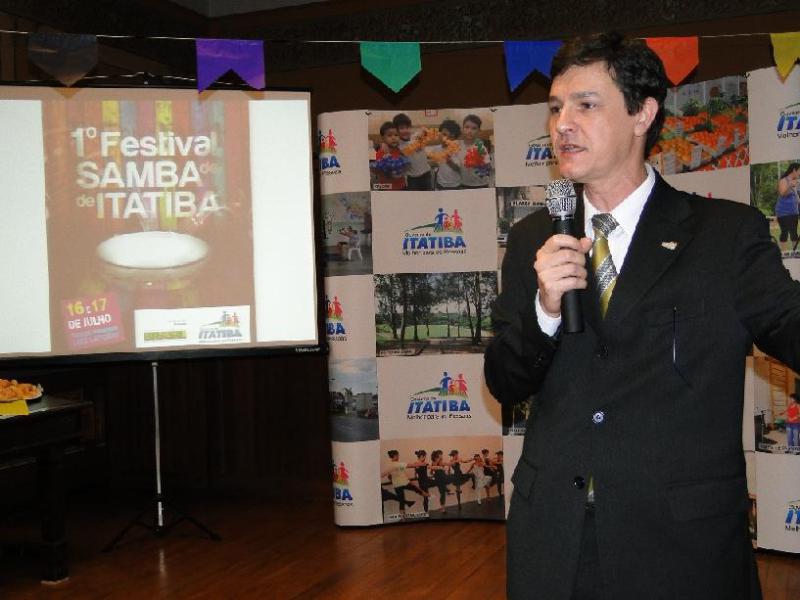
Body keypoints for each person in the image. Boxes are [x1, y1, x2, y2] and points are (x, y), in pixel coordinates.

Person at [484, 31, 800, 600]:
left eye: (585, 104)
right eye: (555, 108)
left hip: (680, 548)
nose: (562, 124)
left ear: (643, 114)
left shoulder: (724, 236)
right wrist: (545, 310)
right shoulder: (534, 237)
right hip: (555, 541)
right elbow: (504, 381)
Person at [394, 113, 434, 191]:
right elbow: (405, 150)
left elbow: (427, 132)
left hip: (426, 174)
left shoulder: (416, 137)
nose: (405, 130)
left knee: (428, 195)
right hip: (413, 178)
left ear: (410, 128)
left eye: (407, 127)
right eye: (402, 128)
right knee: (414, 197)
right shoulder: (399, 144)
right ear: (397, 131)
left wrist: (424, 130)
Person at [372, 122, 408, 191]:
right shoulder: (381, 152)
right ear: (383, 138)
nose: (393, 138)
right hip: (387, 188)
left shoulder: (401, 150)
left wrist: (403, 171)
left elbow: (406, 166)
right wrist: (384, 161)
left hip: (401, 186)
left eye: (396, 135)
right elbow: (377, 171)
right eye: (389, 135)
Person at [460, 114, 493, 189]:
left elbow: (488, 169)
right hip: (463, 184)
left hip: (480, 185)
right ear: (462, 129)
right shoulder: (457, 145)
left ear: (479, 131)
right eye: (467, 127)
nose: (469, 131)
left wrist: (479, 163)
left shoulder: (480, 147)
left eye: (474, 128)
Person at [429, 119, 463, 190]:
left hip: (455, 185)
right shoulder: (436, 149)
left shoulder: (458, 149)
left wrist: (449, 161)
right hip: (440, 184)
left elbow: (460, 169)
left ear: (455, 138)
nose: (446, 138)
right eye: (444, 134)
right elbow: (435, 163)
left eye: (451, 136)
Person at [775, 163, 800, 253]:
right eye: (799, 171)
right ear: (794, 170)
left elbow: (797, 198)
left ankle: (795, 253)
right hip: (783, 212)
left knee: (794, 233)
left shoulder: (795, 181)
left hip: (794, 212)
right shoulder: (783, 180)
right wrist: (790, 185)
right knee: (784, 233)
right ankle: (783, 253)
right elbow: (782, 193)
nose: (799, 173)